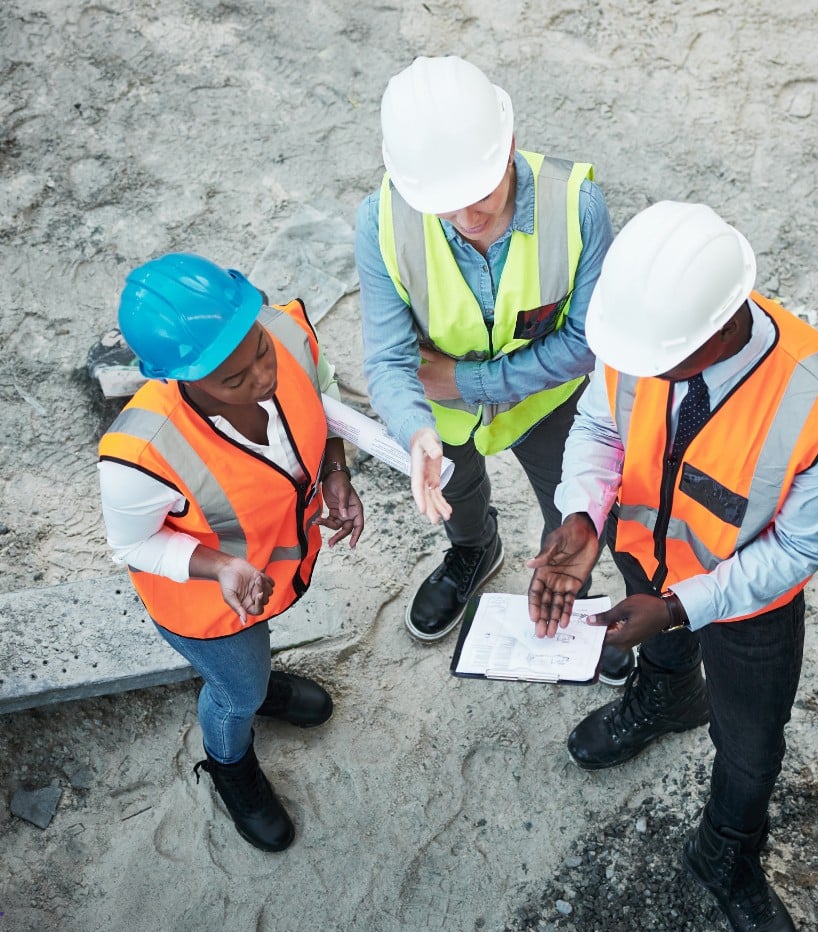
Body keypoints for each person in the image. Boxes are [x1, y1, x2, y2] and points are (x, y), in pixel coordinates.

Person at [527, 202, 818, 932]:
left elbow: (799, 548)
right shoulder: (642, 337)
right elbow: (597, 428)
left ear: (715, 332)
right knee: (659, 644)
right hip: (643, 554)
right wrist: (583, 516)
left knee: (752, 749)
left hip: (751, 611)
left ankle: (727, 851)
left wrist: (682, 604)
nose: (634, 372)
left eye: (656, 363)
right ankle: (667, 693)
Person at [354, 55, 632, 682]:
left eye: (477, 195)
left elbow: (589, 343)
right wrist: (414, 430)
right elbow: (388, 358)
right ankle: (474, 551)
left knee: (573, 508)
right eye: (443, 206)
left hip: (547, 402)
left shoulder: (578, 206)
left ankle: (566, 579)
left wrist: (465, 381)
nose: (466, 218)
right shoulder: (380, 222)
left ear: (508, 144)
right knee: (457, 491)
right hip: (443, 414)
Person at [97, 253, 365, 853]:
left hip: (265, 574)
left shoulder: (286, 333)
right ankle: (230, 761)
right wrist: (218, 567)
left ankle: (259, 686)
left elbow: (321, 396)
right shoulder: (139, 453)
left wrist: (337, 470)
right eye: (235, 379)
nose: (263, 376)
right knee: (234, 690)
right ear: (178, 377)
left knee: (253, 664)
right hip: (206, 606)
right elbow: (132, 543)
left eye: (260, 351)